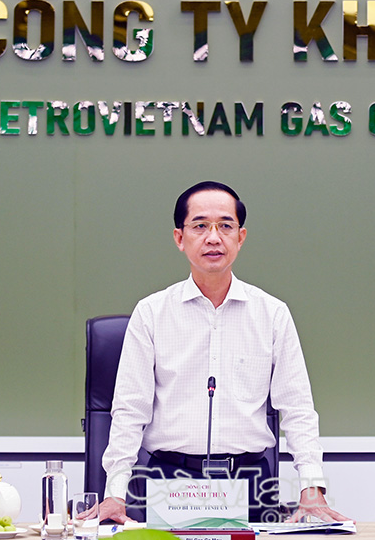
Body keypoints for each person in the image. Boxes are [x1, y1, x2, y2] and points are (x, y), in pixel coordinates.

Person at [99, 181, 349, 524]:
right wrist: (114, 494)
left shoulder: (272, 314)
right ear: (179, 238)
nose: (213, 238)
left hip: (251, 482)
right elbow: (130, 409)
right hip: (170, 480)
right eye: (200, 226)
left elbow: (298, 409)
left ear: (240, 237)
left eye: (225, 226)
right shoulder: (151, 313)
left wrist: (311, 487)